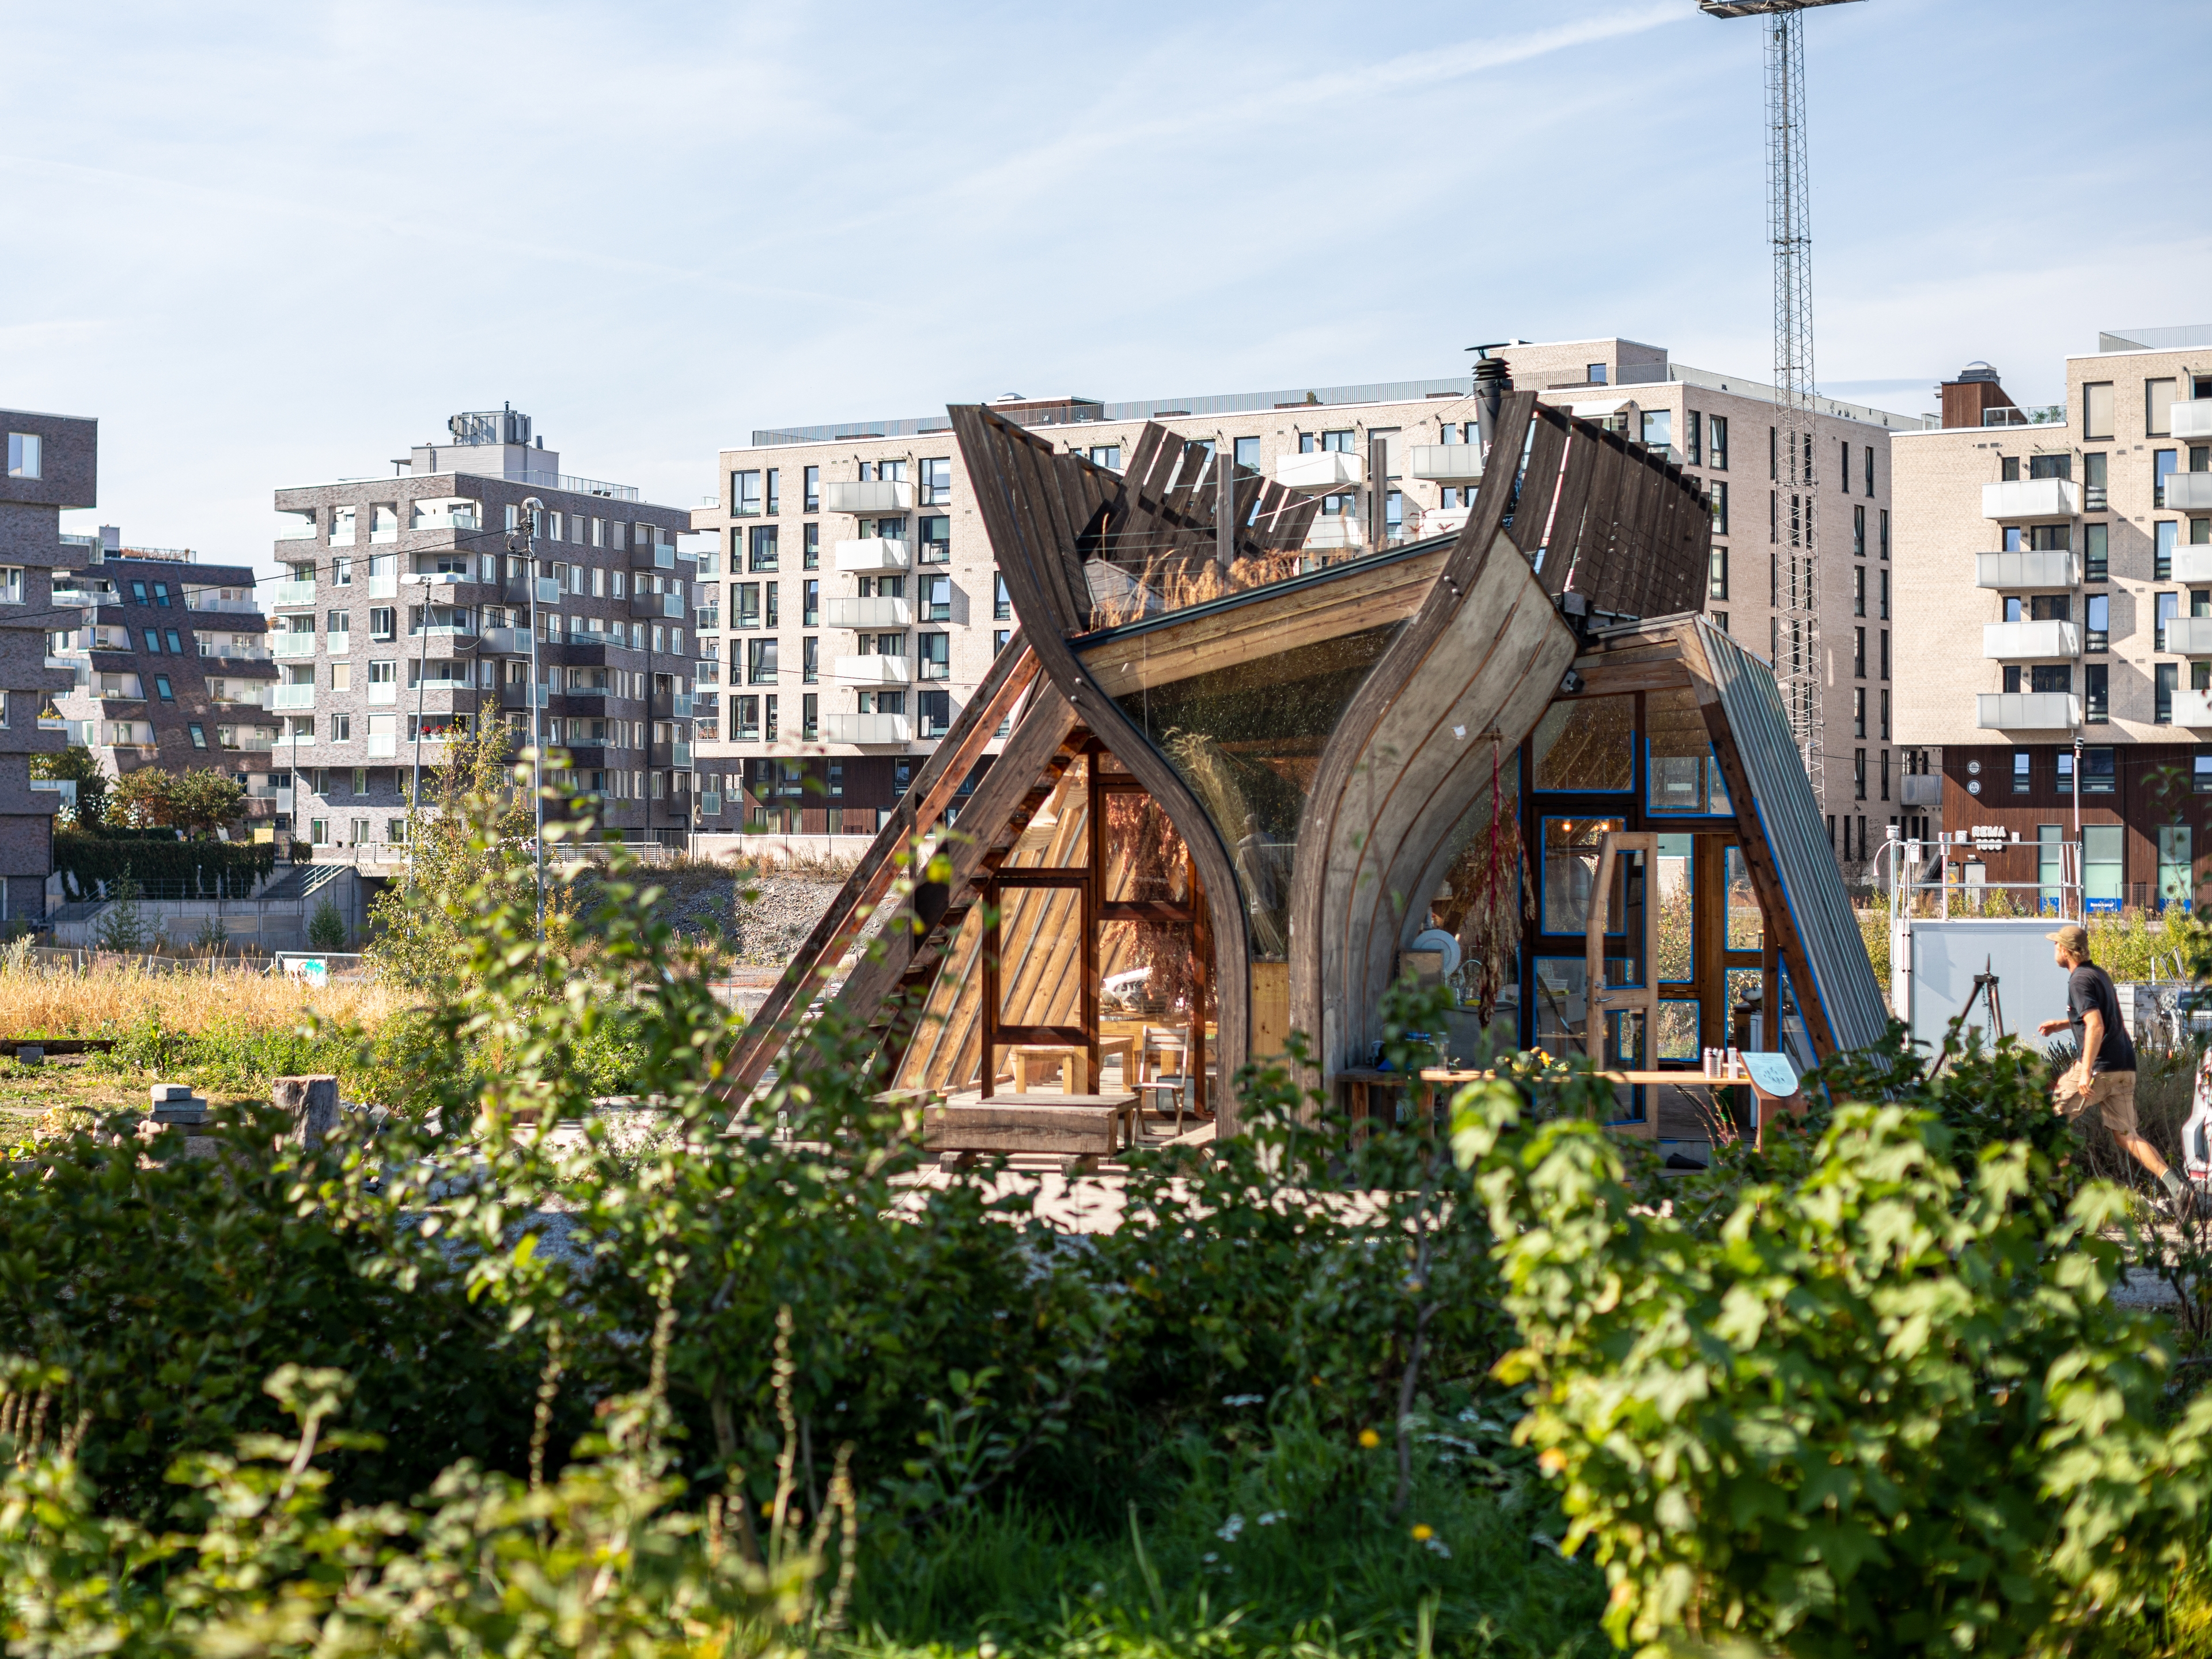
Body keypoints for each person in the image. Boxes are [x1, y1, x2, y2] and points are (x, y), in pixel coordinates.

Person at [2035, 923, 2202, 1219]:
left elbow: (2097, 1026)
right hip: (2124, 1066)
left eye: (2056, 945)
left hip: (2099, 1069)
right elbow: (2101, 1016)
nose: (2054, 950)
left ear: (2065, 950)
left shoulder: (2078, 981)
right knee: (2126, 1135)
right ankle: (2177, 1187)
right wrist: (2063, 1024)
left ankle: (2060, 1203)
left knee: (2052, 1120)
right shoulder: (2099, 974)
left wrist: (2085, 1070)